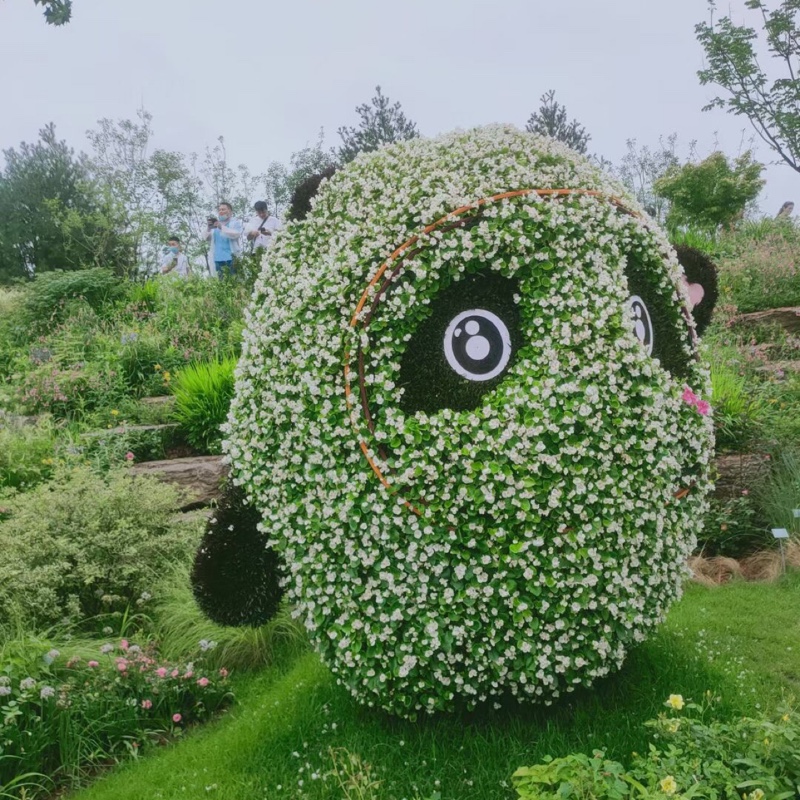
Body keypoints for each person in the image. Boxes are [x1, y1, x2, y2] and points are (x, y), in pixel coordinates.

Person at [204, 202, 243, 276]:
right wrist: (208, 228)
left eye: (223, 209)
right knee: (221, 283)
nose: (221, 211)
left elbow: (236, 234)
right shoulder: (215, 225)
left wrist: (221, 227)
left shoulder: (235, 222)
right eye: (219, 210)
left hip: (231, 258)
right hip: (217, 259)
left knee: (234, 281)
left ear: (230, 211)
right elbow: (207, 238)